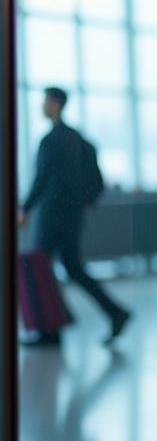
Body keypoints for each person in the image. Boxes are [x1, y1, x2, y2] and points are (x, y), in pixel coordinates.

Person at [17, 87, 131, 346]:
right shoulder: (81, 140)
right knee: (72, 267)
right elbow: (98, 179)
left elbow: (42, 179)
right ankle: (115, 312)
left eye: (46, 101)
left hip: (50, 215)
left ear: (56, 104)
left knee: (39, 267)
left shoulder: (50, 140)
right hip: (71, 216)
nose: (42, 106)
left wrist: (25, 209)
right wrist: (87, 201)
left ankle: (51, 329)